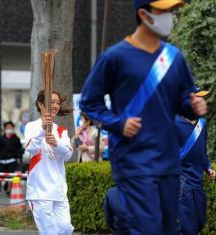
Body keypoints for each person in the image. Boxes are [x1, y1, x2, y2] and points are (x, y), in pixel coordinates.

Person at [79, 0, 207, 234]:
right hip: (134, 161)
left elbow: (183, 102)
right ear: (144, 14)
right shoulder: (115, 57)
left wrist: (193, 106)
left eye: (171, 10)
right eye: (164, 11)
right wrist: (117, 123)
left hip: (168, 163)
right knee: (146, 228)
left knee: (166, 228)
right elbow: (89, 102)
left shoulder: (173, 57)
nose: (170, 16)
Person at [25, 90, 74, 235]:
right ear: (41, 104)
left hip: (59, 191)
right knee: (49, 232)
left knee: (65, 228)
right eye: (51, 102)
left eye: (58, 103)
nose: (55, 106)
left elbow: (68, 155)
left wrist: (56, 144)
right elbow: (31, 148)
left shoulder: (61, 131)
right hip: (39, 192)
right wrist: (42, 130)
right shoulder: (32, 127)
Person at [174, 88, 216, 235]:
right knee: (188, 227)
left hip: (197, 179)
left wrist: (208, 167)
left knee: (199, 221)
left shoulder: (202, 124)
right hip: (180, 180)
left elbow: (202, 151)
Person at [0, 121, 23, 195]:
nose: (9, 128)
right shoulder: (1, 139)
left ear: (13, 128)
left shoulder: (16, 139)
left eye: (10, 127)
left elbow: (20, 149)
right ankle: (7, 186)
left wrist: (19, 157)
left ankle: (10, 188)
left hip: (12, 160)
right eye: (7, 127)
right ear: (5, 128)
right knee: (4, 177)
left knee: (11, 174)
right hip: (3, 161)